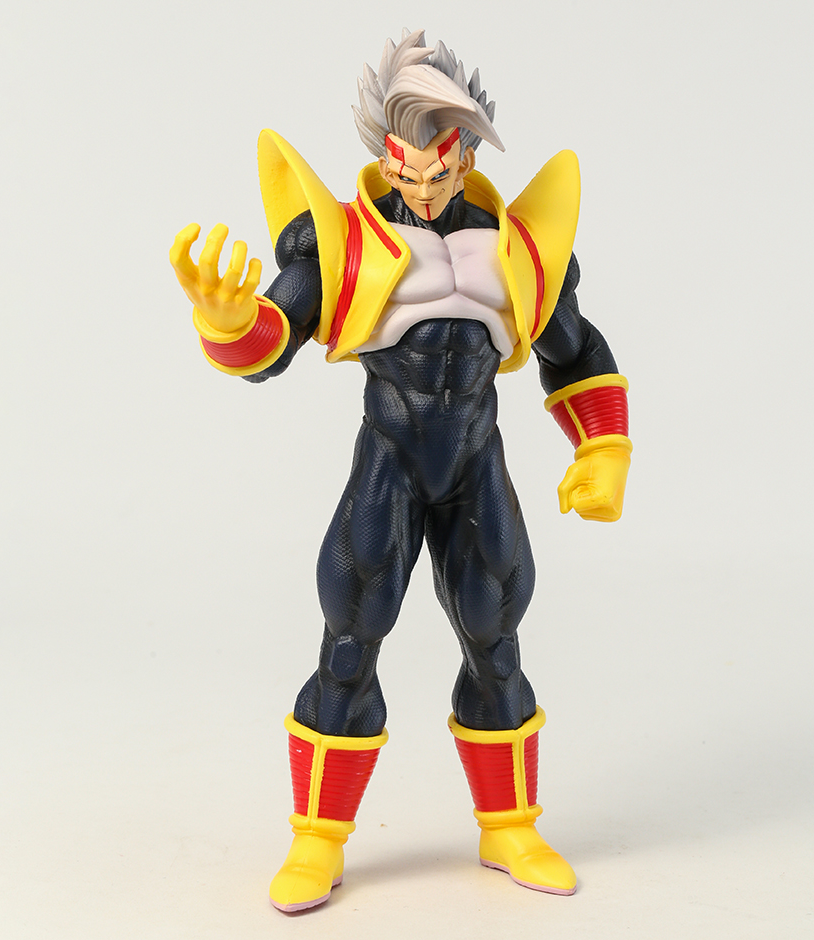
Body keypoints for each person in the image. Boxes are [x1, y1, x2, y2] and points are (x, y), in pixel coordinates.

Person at [170, 28, 632, 913]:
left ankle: (510, 825)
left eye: (438, 169)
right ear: (385, 156)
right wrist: (227, 322)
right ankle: (317, 839)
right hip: (389, 462)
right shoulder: (345, 243)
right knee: (350, 641)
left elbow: (575, 351)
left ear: (467, 154)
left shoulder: (516, 248)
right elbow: (274, 338)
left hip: (475, 465)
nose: (421, 187)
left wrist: (603, 450)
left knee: (496, 641)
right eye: (405, 169)